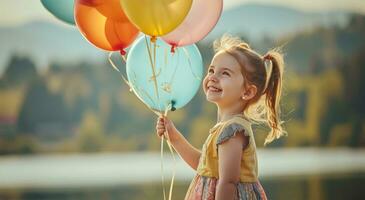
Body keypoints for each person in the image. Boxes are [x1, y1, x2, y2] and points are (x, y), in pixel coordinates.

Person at [156, 34, 287, 200]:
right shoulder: (224, 127)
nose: (212, 77)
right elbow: (203, 166)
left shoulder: (233, 131)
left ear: (247, 91)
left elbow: (228, 182)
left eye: (225, 73)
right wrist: (173, 137)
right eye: (211, 70)